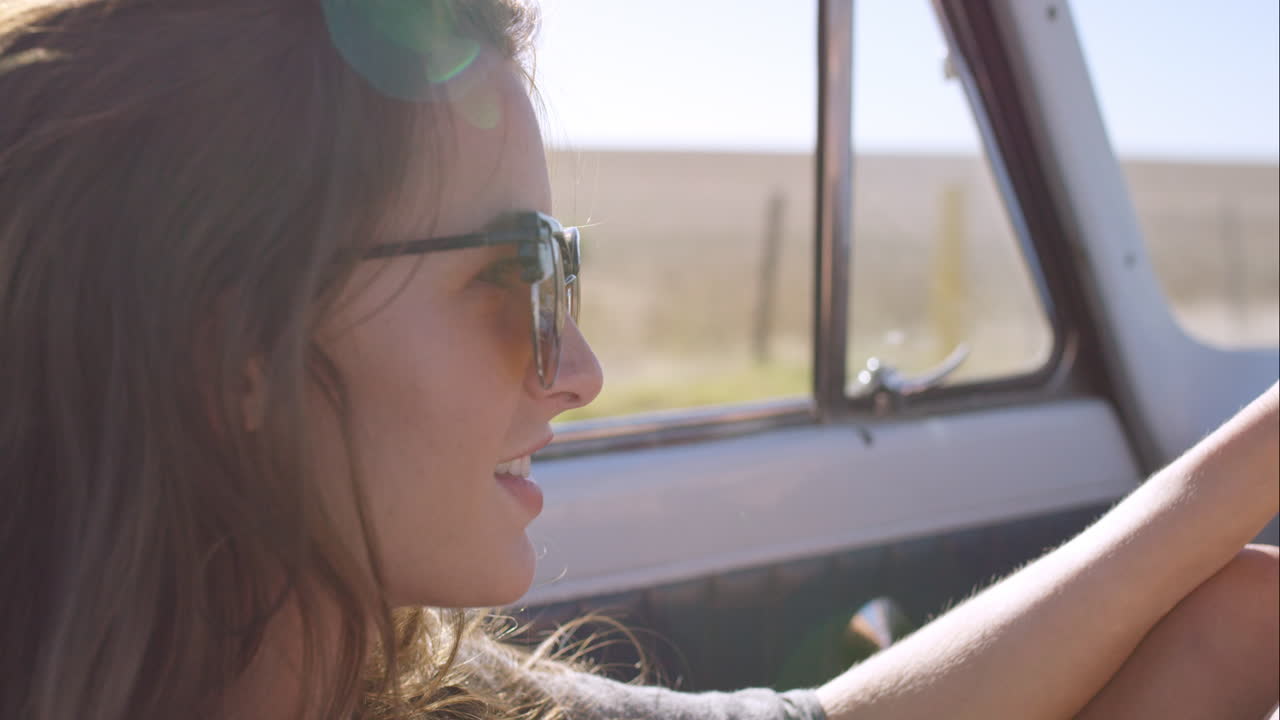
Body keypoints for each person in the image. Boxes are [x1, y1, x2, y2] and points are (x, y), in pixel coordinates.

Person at [0, 0, 1275, 718]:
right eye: (513, 279)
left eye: (566, 272)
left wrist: (1218, 490)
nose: (581, 371)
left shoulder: (430, 691)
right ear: (241, 355)